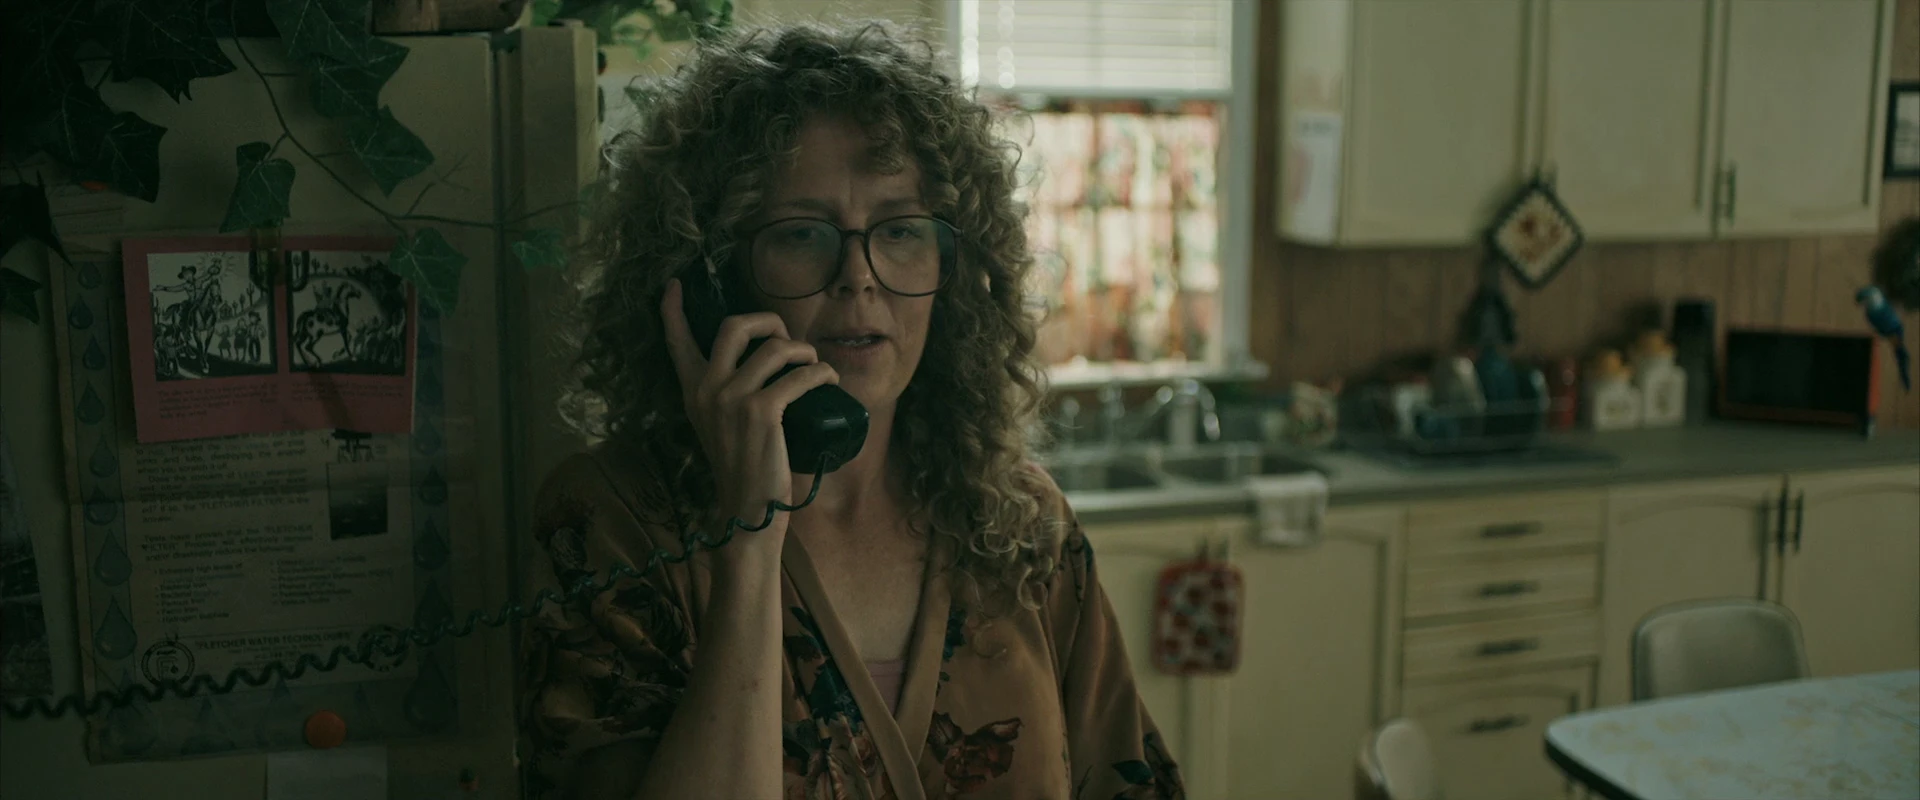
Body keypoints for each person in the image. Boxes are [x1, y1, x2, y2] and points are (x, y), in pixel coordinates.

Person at [519, 20, 1183, 800]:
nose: (859, 276)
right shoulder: (611, 524)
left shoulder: (1023, 526)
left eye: (899, 230)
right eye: (804, 233)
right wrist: (748, 541)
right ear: (710, 280)